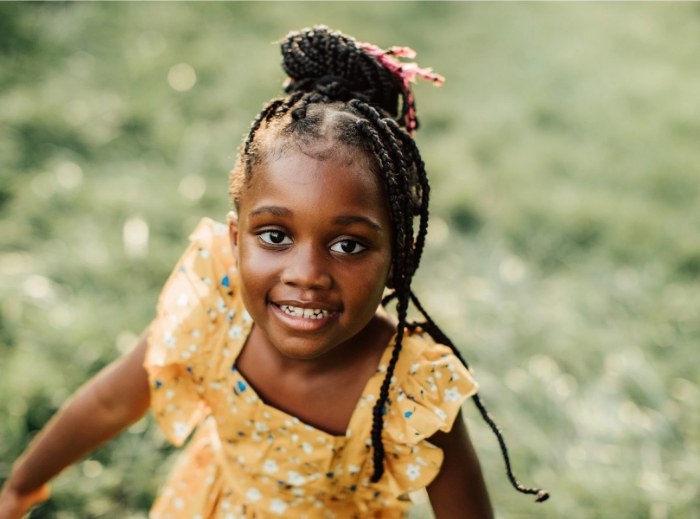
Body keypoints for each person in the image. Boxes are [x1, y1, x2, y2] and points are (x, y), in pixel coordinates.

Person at [0, 26, 548, 518]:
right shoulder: (215, 310)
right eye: (276, 236)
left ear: (398, 261)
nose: (307, 272)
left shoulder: (410, 390)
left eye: (349, 244)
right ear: (236, 241)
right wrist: (21, 487)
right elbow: (110, 401)